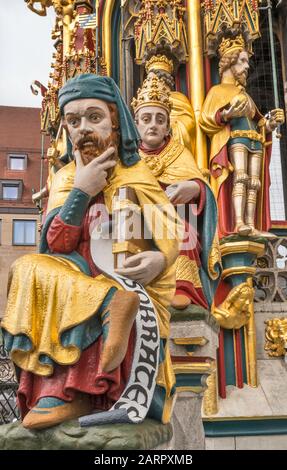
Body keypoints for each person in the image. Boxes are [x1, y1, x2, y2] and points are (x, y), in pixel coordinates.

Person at [1, 74, 180, 430]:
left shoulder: (136, 173)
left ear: (115, 120)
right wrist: (81, 191)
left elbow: (170, 230)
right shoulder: (66, 176)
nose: (83, 128)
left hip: (125, 278)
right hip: (77, 281)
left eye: (93, 117)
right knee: (26, 268)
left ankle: (74, 392)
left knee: (68, 289)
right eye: (73, 120)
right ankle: (102, 316)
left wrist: (160, 258)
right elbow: (55, 245)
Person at [132, 73, 221, 311]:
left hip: (175, 219)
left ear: (168, 125)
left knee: (184, 233)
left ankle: (181, 287)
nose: (153, 124)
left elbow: (203, 188)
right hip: (137, 219)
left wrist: (194, 187)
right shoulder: (129, 157)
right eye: (146, 119)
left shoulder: (179, 152)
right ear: (136, 124)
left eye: (160, 119)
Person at [200, 34, 285, 238]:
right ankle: (237, 222)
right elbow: (206, 118)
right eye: (243, 61)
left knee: (254, 182)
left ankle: (251, 224)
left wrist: (271, 123)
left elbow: (257, 121)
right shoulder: (218, 91)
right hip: (236, 139)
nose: (247, 67)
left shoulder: (245, 95)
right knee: (240, 178)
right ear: (230, 62)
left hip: (254, 141)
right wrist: (227, 114)